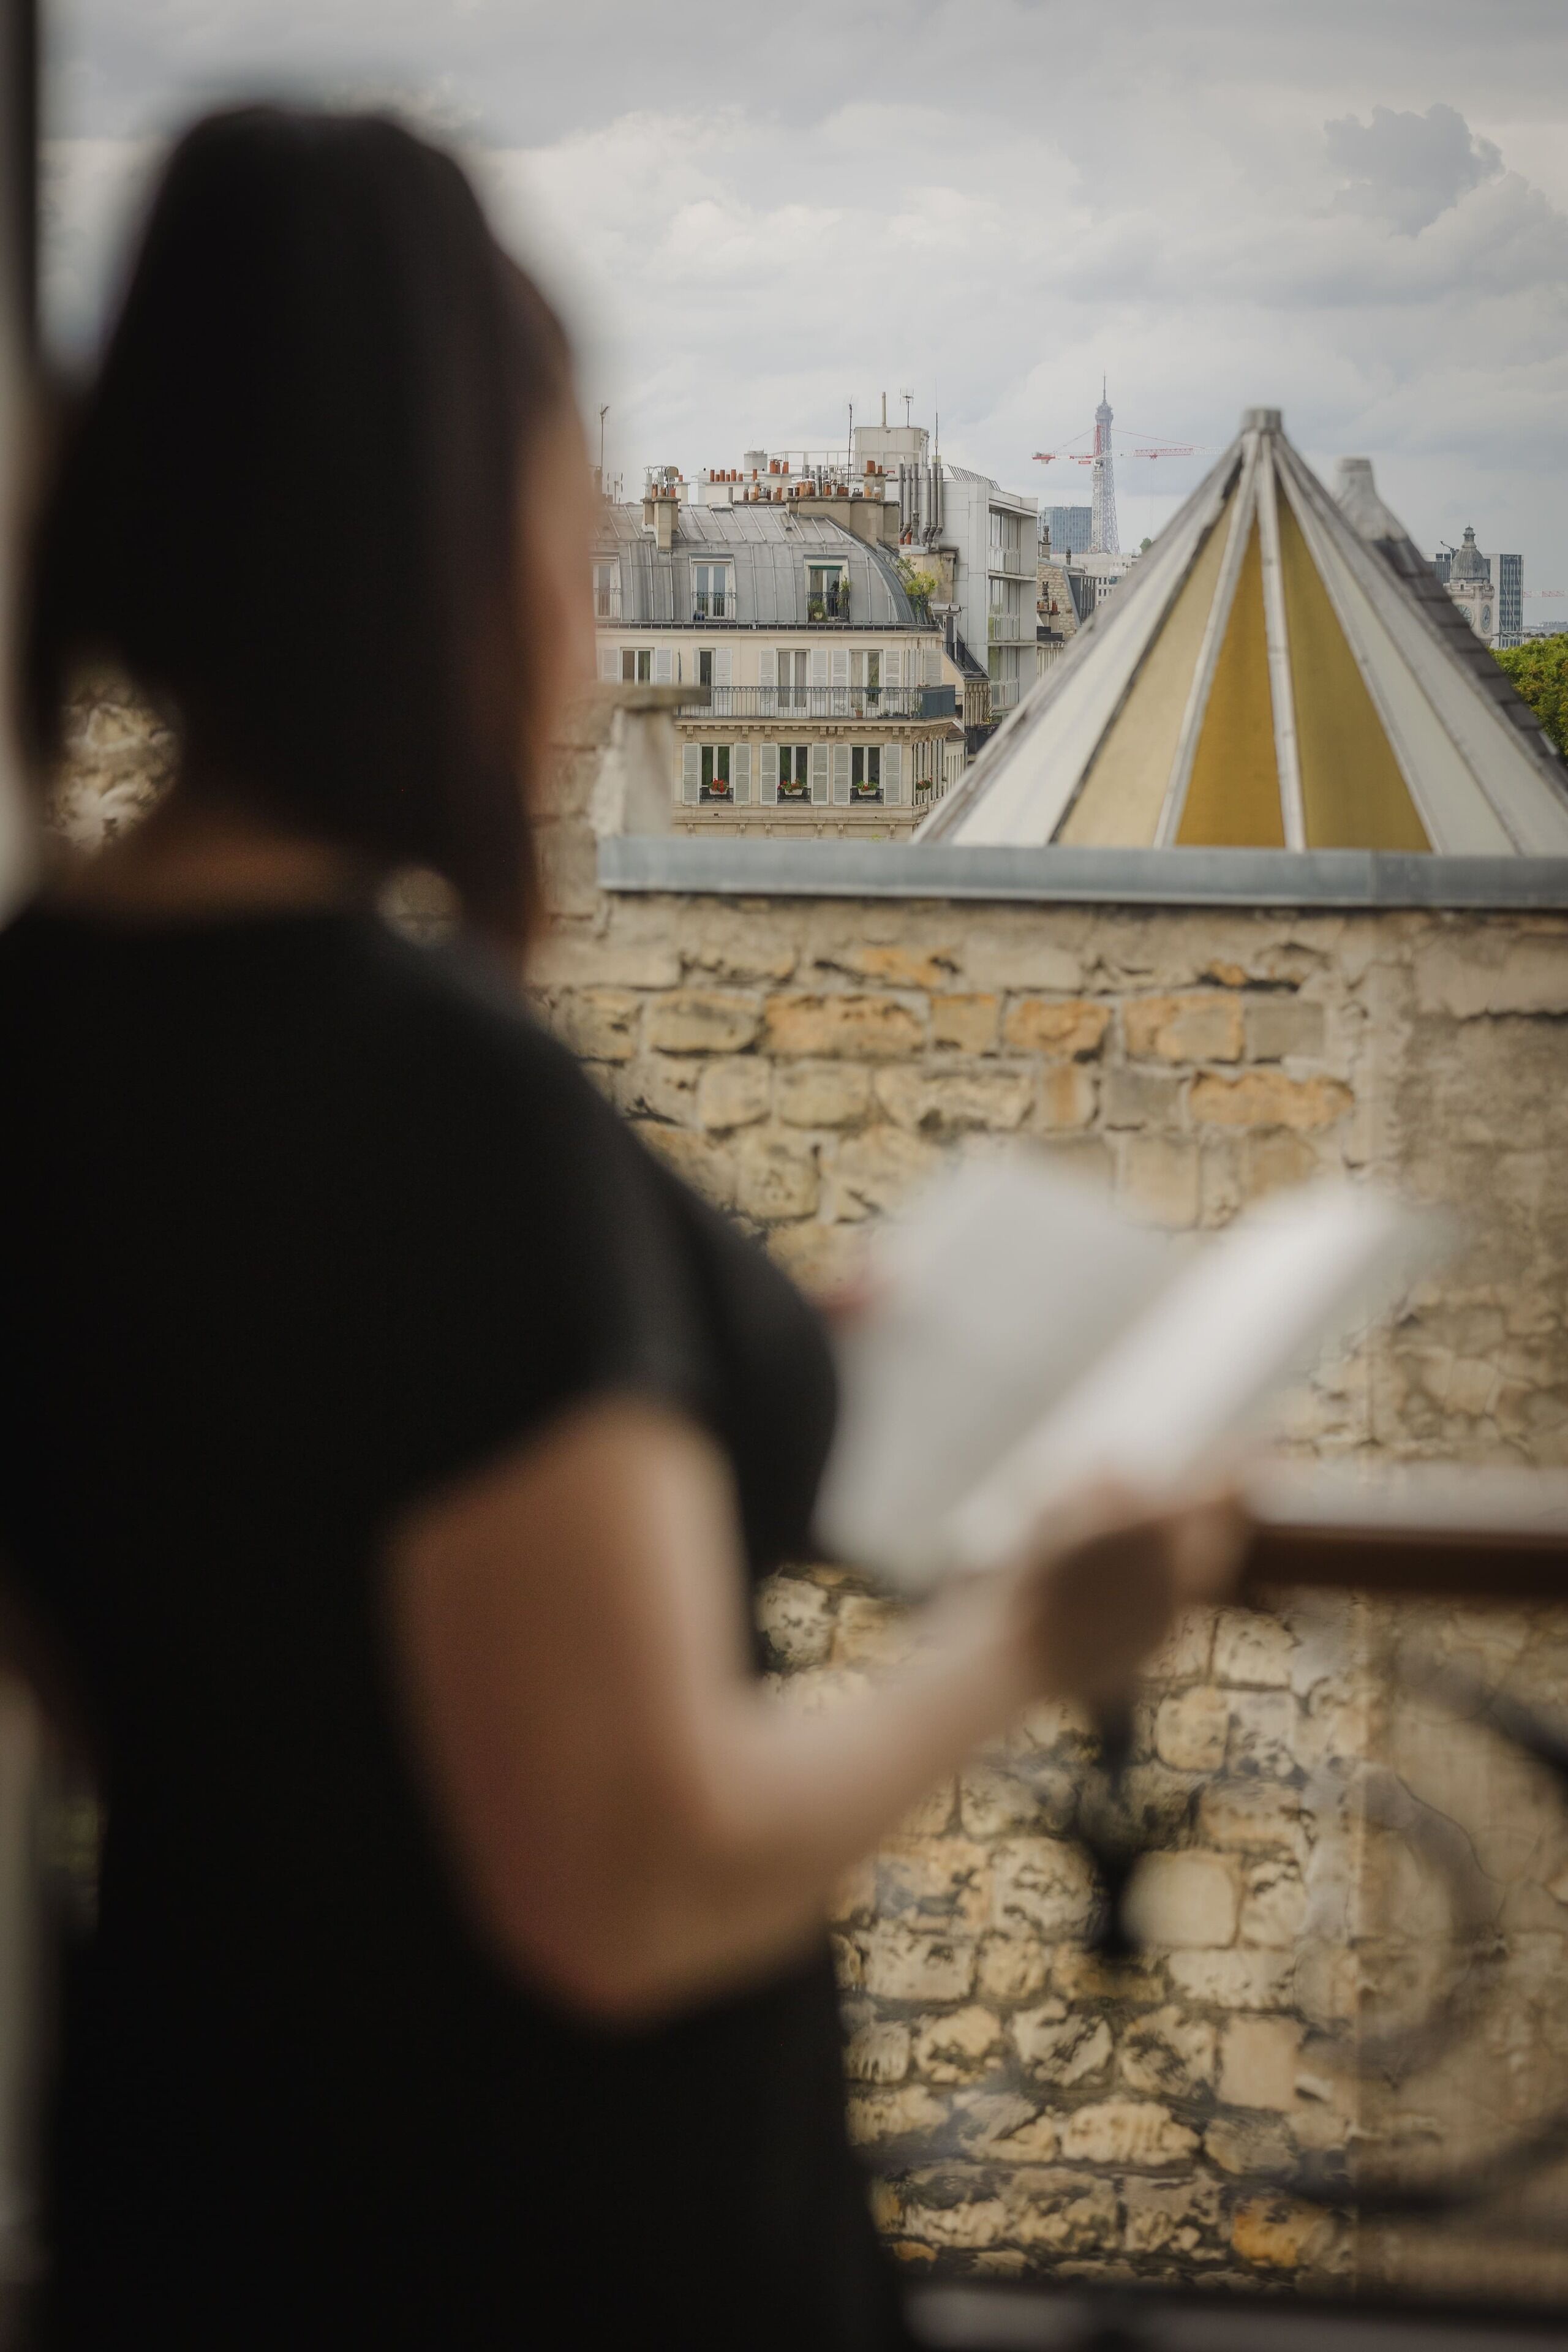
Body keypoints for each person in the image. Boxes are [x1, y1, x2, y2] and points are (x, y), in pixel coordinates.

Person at [0, 108, 1245, 2348]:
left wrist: (690, 1333)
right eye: (573, 519)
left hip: (197, 2203)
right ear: (453, 552)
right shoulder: (422, 1098)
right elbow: (634, 1888)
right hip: (559, 2248)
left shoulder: (47, 1024)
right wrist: (1032, 1638)